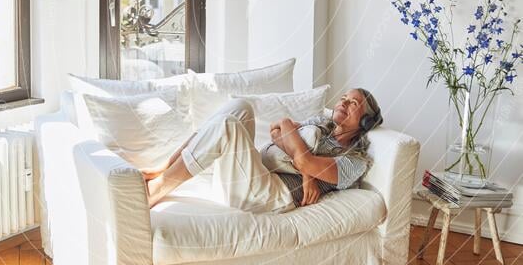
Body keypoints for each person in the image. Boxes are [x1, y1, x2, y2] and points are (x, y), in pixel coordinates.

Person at [141, 88, 383, 212]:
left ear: (366, 122)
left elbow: (305, 159)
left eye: (353, 103)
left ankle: (159, 188)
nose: (343, 102)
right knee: (239, 107)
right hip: (250, 175)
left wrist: (303, 160)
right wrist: (306, 169)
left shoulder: (353, 160)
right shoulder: (322, 122)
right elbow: (279, 129)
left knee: (229, 126)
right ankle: (167, 167)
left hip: (268, 195)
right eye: (343, 98)